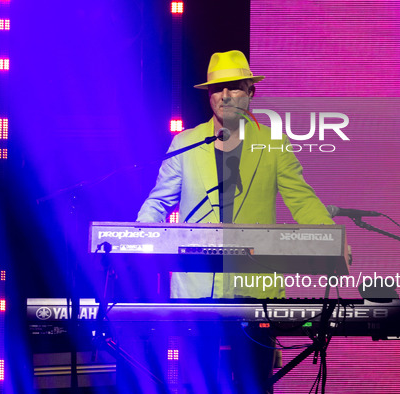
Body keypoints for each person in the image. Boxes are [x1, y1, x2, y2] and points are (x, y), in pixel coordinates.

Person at [136, 50, 334, 392]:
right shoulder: (184, 142)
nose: (225, 96)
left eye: (234, 88)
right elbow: (159, 201)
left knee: (254, 385)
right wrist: (138, 239)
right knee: (196, 384)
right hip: (197, 291)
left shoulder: (273, 143)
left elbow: (302, 200)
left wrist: (332, 241)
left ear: (251, 92)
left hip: (255, 291)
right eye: (217, 89)